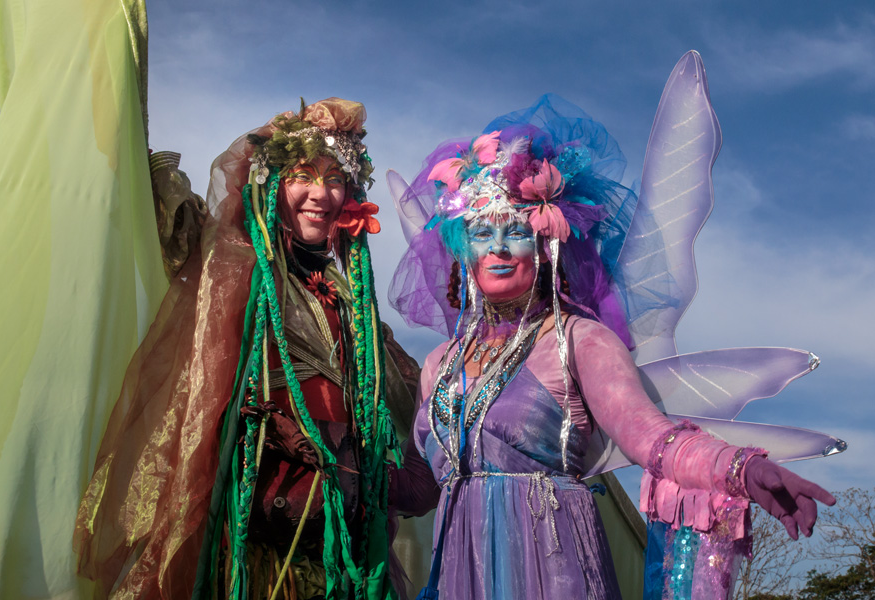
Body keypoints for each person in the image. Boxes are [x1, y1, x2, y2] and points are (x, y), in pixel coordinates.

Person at [387, 88, 838, 600]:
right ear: (459, 247)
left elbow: (653, 439)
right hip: (457, 573)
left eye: (515, 231)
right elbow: (420, 487)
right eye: (481, 233)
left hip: (549, 565)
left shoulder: (578, 339)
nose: (498, 248)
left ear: (545, 241)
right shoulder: (439, 365)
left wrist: (740, 468)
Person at [74, 98, 418, 600]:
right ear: (271, 186)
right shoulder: (239, 272)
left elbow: (404, 401)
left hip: (337, 534)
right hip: (258, 532)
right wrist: (141, 157)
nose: (321, 193)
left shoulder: (354, 304)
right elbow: (184, 232)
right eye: (303, 175)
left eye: (335, 177)